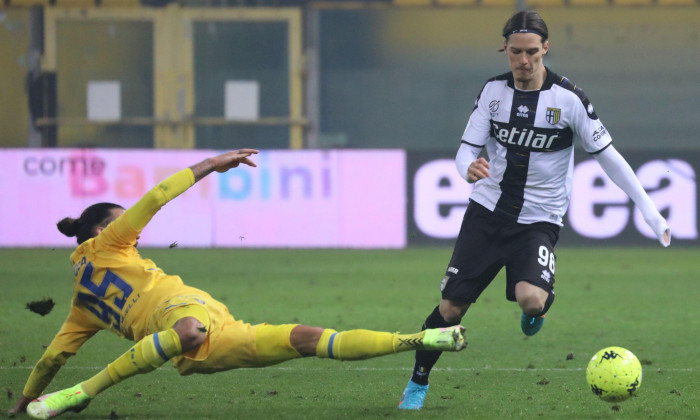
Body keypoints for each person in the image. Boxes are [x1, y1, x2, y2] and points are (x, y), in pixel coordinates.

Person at [7, 149, 467, 420]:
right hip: (183, 322)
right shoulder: (111, 242)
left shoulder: (81, 303)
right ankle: (84, 393)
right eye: (122, 221)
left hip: (211, 336)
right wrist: (212, 163)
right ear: (102, 230)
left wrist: (23, 403)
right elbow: (157, 196)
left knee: (306, 338)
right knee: (189, 331)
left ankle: (420, 338)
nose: (136, 229)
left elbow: (51, 358)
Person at [398, 10, 671, 410]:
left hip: (539, 220)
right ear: (504, 50)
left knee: (531, 300)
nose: (523, 62)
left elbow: (608, 157)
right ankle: (418, 381)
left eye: (531, 53)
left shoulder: (570, 100)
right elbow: (466, 150)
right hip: (487, 211)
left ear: (545, 49)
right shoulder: (492, 92)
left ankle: (539, 305)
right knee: (451, 308)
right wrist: (466, 169)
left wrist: (650, 210)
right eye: (514, 53)